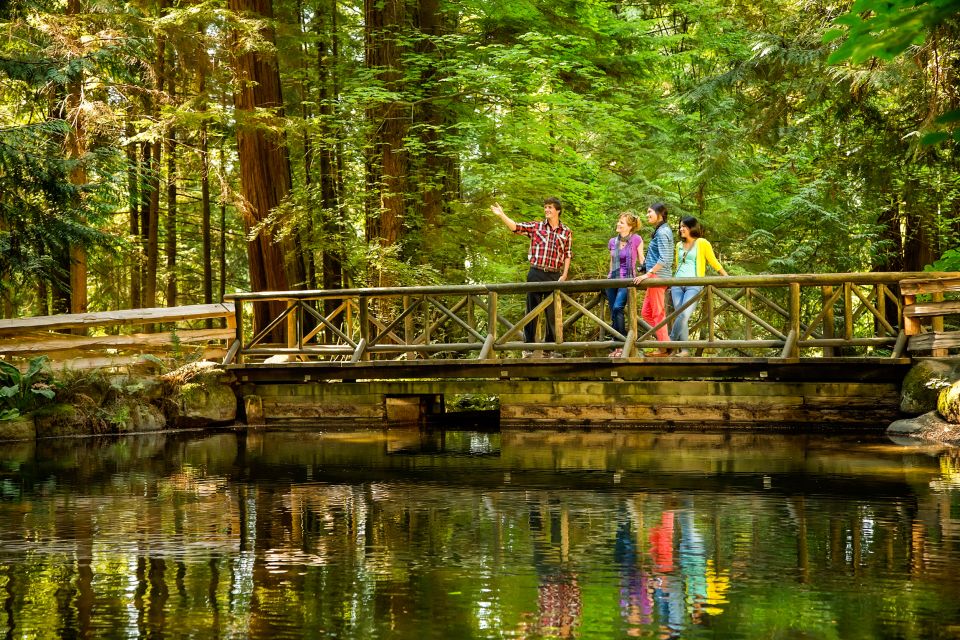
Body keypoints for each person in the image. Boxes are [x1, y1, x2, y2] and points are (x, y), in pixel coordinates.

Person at [491, 198, 572, 358]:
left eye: (550, 207)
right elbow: (516, 227)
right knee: (532, 311)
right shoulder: (537, 227)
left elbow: (568, 254)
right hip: (536, 272)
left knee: (552, 313)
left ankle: (549, 350)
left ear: (558, 210)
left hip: (554, 274)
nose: (547, 210)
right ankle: (528, 348)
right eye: (545, 207)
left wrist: (564, 274)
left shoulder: (566, 231)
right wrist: (502, 215)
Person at [670, 217, 728, 357]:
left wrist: (725, 275)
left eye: (684, 226)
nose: (681, 229)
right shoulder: (678, 245)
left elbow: (712, 260)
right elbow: (678, 265)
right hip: (677, 284)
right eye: (680, 227)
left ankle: (669, 343)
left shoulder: (702, 243)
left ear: (692, 228)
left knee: (684, 315)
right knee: (679, 315)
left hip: (694, 284)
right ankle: (684, 350)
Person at [633, 203, 673, 356]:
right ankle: (665, 343)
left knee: (657, 313)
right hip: (655, 276)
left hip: (658, 277)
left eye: (650, 212)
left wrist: (647, 274)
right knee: (647, 313)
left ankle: (665, 348)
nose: (647, 215)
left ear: (659, 214)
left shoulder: (663, 232)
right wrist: (644, 268)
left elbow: (664, 259)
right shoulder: (661, 231)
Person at [606, 213, 644, 358]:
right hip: (612, 280)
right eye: (619, 221)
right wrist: (608, 278)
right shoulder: (612, 242)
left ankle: (622, 345)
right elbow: (611, 262)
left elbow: (641, 259)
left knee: (618, 308)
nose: (618, 224)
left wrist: (647, 272)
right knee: (614, 313)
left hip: (627, 280)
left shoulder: (636, 239)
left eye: (621, 222)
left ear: (630, 226)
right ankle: (616, 348)